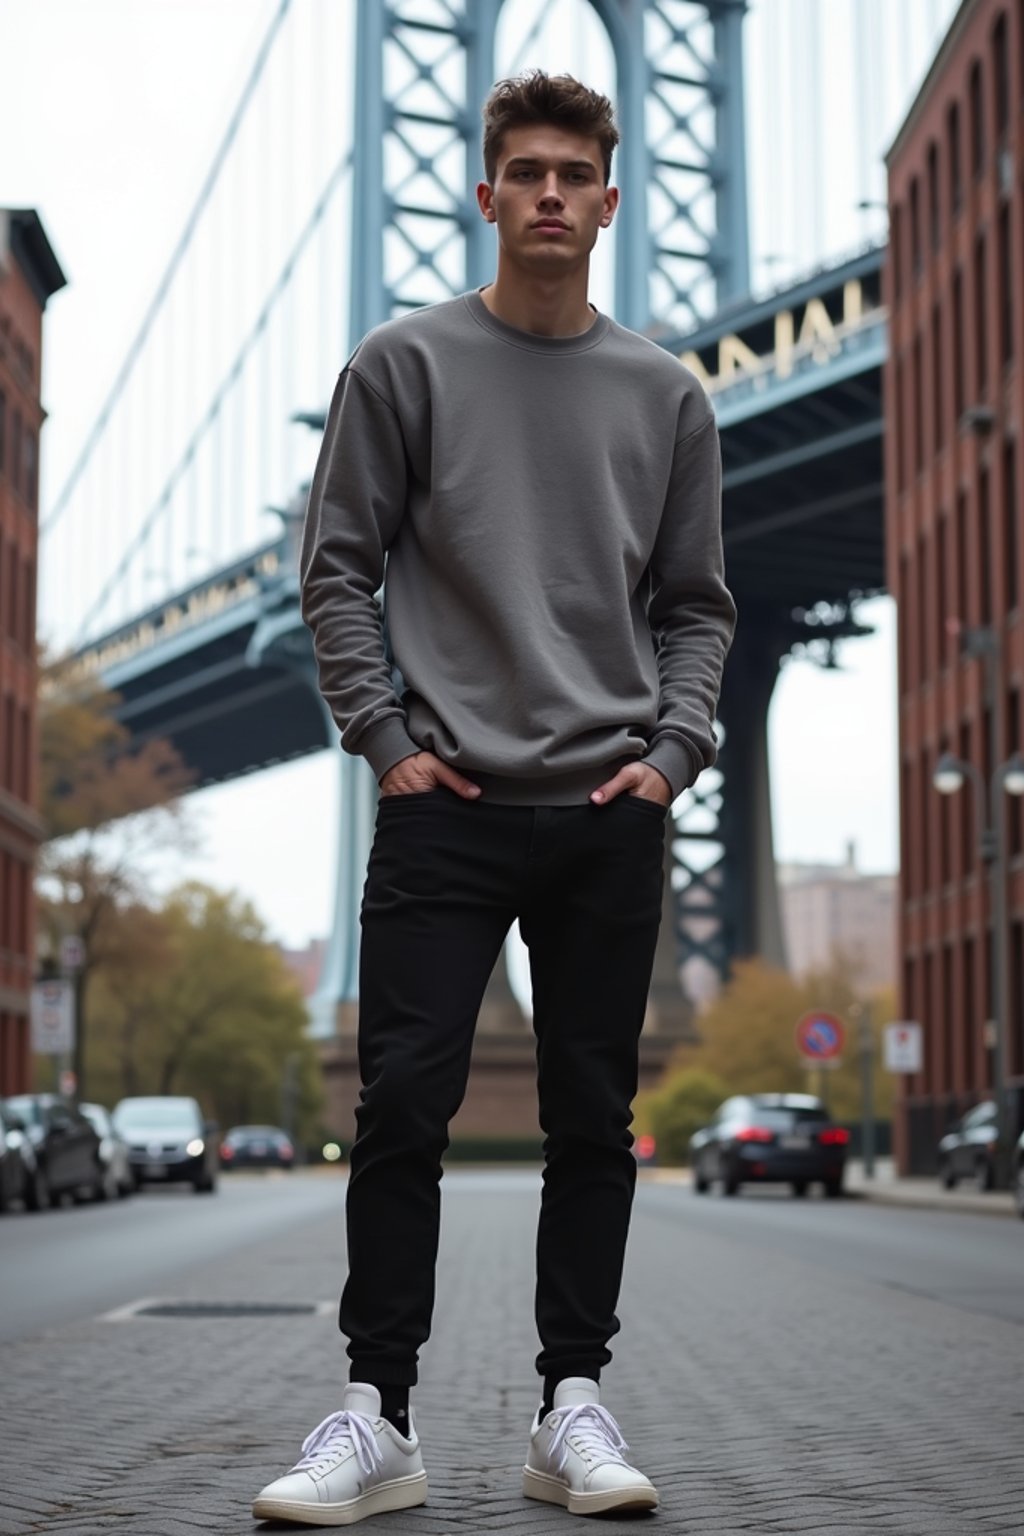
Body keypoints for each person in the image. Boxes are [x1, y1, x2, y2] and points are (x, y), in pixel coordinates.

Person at [253, 70, 735, 1527]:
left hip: (608, 809)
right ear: (483, 194)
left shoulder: (669, 394)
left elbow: (698, 605)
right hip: (442, 800)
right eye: (519, 169)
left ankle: (570, 1408)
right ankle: (374, 1420)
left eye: (569, 172)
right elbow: (335, 568)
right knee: (401, 1104)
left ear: (605, 197)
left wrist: (673, 755)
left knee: (592, 1117)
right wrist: (382, 735)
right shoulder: (400, 365)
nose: (544, 192)